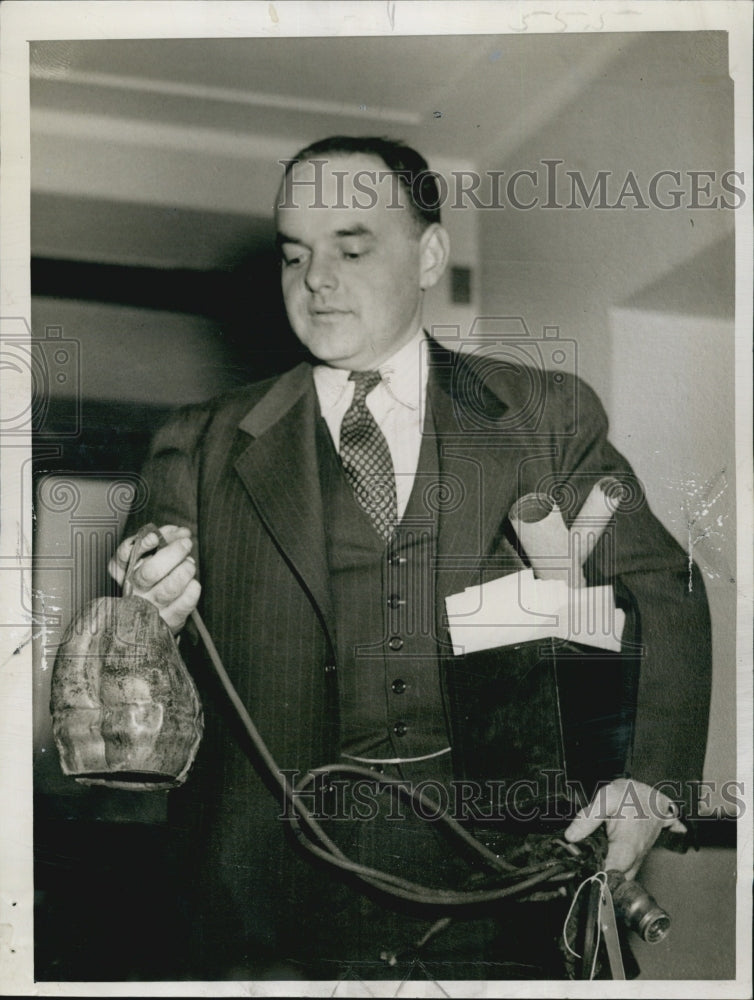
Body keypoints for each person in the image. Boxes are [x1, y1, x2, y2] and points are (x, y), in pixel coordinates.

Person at [109, 136, 711, 981]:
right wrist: (142, 621)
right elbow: (123, 695)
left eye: (352, 248)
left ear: (429, 255)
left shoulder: (541, 415)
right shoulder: (197, 442)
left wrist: (650, 782)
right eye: (294, 254)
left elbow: (665, 591)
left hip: (512, 904)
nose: (316, 278)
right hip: (265, 920)